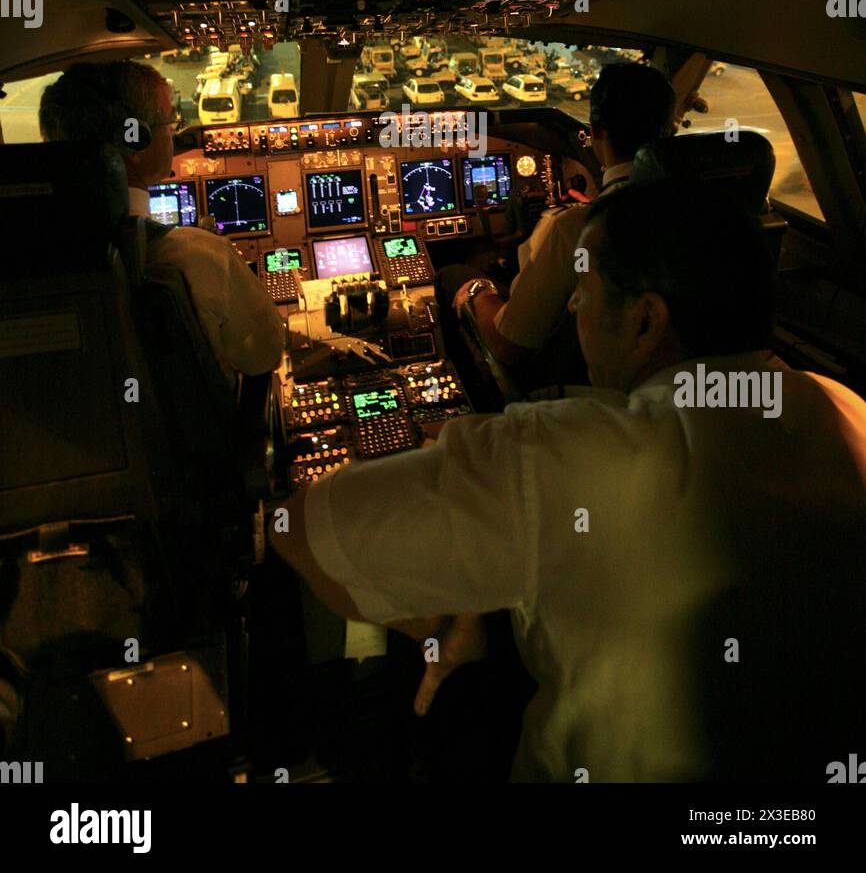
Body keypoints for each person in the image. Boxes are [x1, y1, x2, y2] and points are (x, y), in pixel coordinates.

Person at [270, 182, 866, 782]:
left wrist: (450, 616)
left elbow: (301, 529)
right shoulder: (849, 412)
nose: (573, 309)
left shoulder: (556, 454)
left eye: (582, 292)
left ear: (645, 322)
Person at [39, 60, 285, 385]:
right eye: (170, 122)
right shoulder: (198, 256)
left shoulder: (25, 257)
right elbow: (264, 355)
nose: (174, 133)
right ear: (134, 142)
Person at [437, 62, 676, 371]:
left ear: (595, 130)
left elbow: (507, 346)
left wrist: (478, 289)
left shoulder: (575, 228)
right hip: (654, 378)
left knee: (452, 273)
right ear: (669, 131)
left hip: (559, 387)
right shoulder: (702, 212)